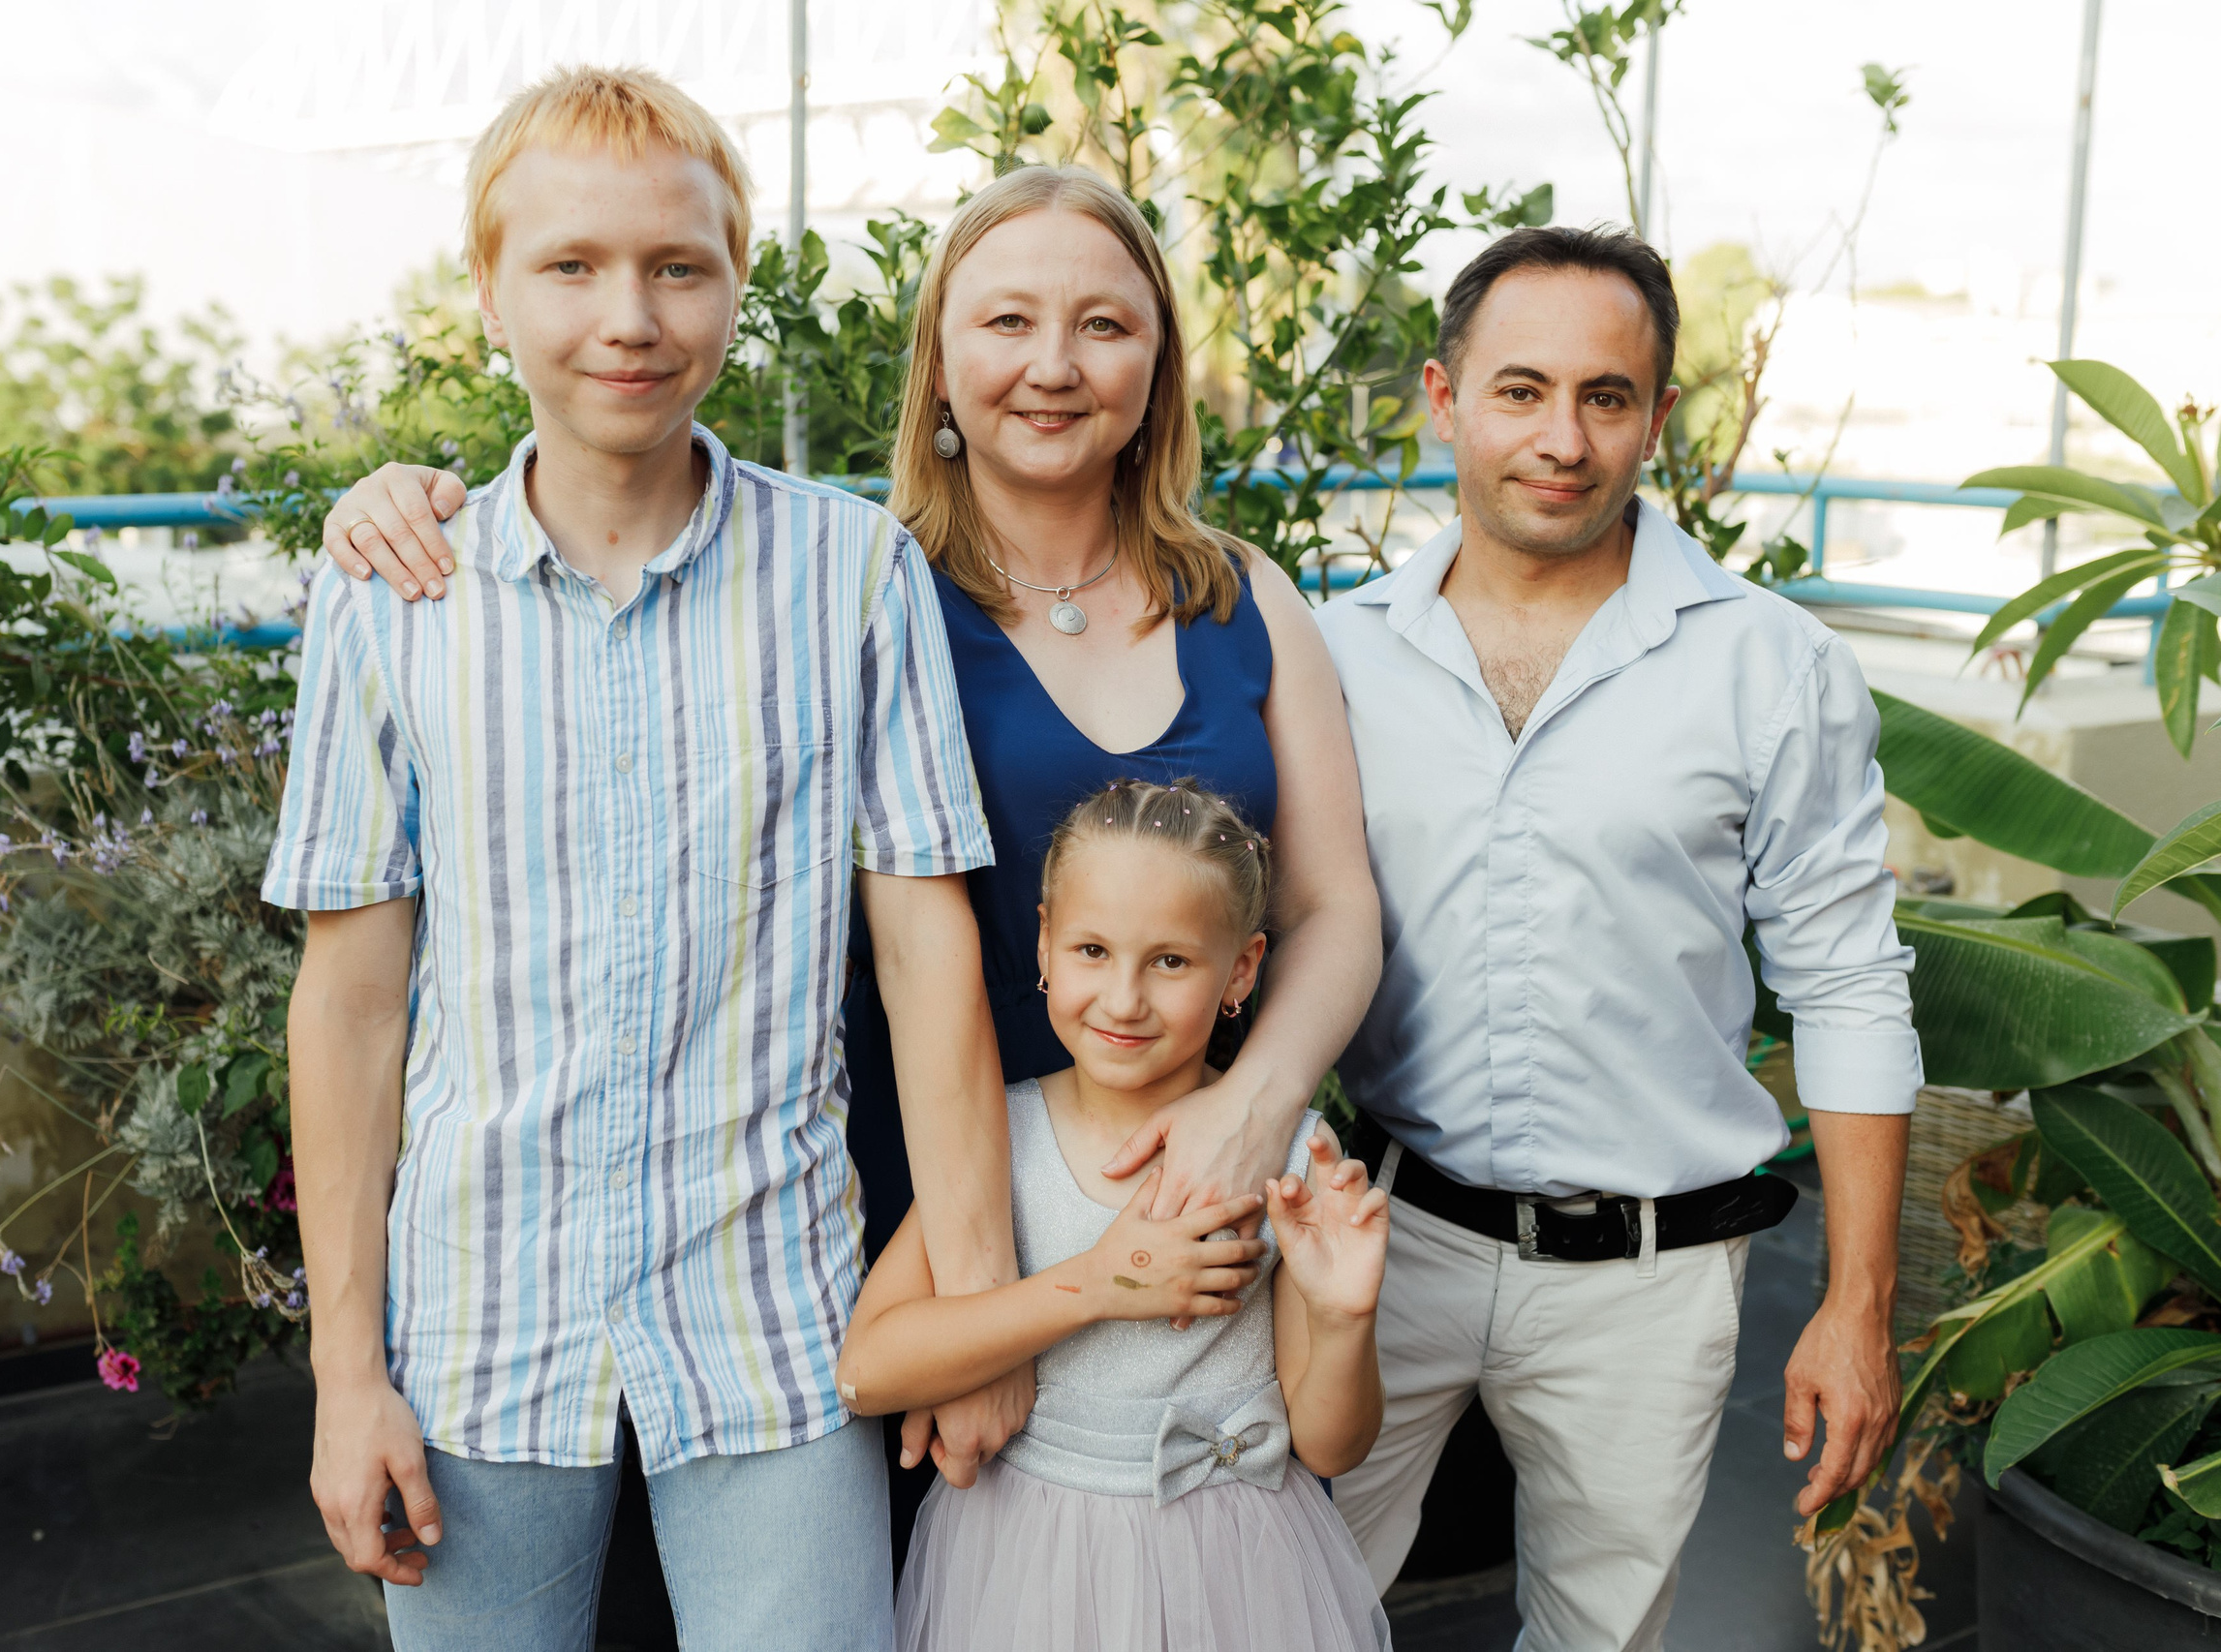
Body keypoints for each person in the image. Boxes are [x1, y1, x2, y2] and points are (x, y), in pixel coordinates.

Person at [322, 165, 1381, 1520]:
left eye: (1104, 326)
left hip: (1190, 1183)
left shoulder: (1243, 595)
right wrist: (400, 505)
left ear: (1159, 365)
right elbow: (611, 551)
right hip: (925, 1212)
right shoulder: (843, 585)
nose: (1054, 366)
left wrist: (1251, 1110)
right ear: (936, 361)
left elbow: (1335, 905)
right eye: (1006, 323)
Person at [267, 66, 1017, 1652]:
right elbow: (350, 1006)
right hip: (481, 1317)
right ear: (488, 290)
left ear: (738, 280)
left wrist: (971, 1308)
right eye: (571, 266)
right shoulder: (394, 591)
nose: (632, 315)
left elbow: (926, 951)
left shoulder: (852, 574)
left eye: (680, 265)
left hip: (775, 1314)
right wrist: (348, 1375)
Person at [1315, 225, 1918, 1650]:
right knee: (1279, 1596)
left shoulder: (1770, 665)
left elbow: (1847, 978)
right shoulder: (1334, 652)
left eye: (1607, 396)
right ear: (1443, 397)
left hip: (1650, 1280)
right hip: (1386, 1238)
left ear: (1655, 416)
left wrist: (1857, 1305)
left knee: (1602, 1638)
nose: (1563, 438)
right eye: (1522, 390)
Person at [839, 779, 1394, 1652]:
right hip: (1027, 1578)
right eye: (1093, 950)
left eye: (1170, 961)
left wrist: (1343, 1316)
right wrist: (1097, 1283)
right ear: (1046, 945)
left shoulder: (1288, 1159)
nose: (1124, 998)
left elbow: (1330, 1446)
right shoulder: (1003, 1138)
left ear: (1241, 970)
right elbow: (869, 1369)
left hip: (1239, 1583)